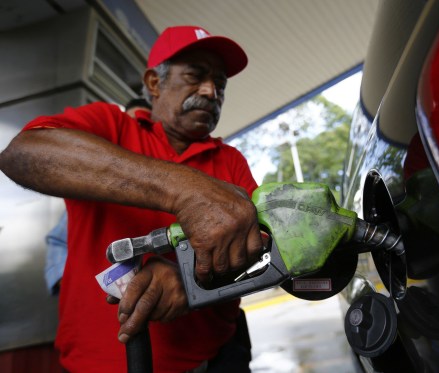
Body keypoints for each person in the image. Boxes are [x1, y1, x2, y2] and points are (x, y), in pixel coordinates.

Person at [1, 25, 262, 372]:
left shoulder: (230, 161)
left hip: (214, 360)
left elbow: (262, 244)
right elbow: (23, 153)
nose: (211, 91)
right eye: (196, 75)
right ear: (154, 83)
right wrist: (185, 190)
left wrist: (194, 282)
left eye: (220, 84)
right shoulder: (112, 126)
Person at [44, 98, 153, 296]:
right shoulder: (93, 187)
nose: (134, 132)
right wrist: (69, 282)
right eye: (129, 123)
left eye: (142, 124)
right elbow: (58, 239)